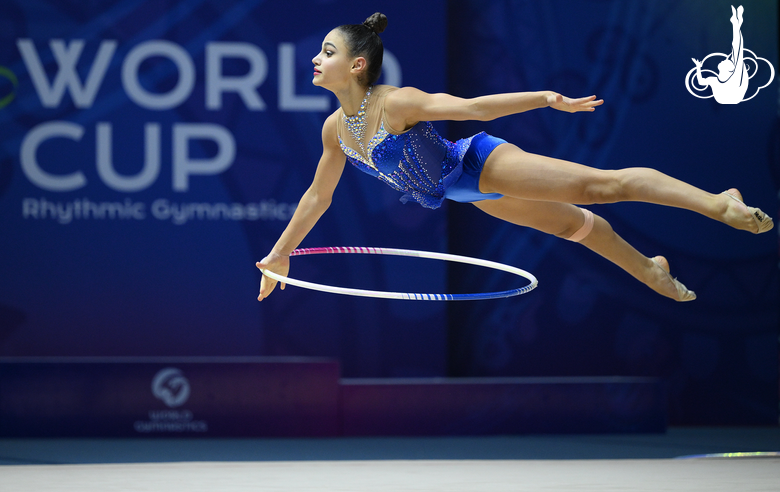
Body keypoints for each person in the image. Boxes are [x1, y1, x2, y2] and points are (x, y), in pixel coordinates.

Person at [257, 12, 773, 303]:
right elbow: (317, 196)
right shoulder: (334, 131)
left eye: (327, 51)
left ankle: (718, 205)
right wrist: (280, 253)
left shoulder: (397, 103)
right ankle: (651, 271)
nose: (316, 58)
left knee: (602, 187)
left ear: (358, 64)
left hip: (478, 165)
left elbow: (475, 107)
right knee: (580, 228)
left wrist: (545, 98)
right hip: (469, 195)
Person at [692, 5, 748, 104]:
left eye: (727, 61)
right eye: (729, 61)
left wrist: (698, 67)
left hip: (731, 95)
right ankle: (736, 24)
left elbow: (737, 48)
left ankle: (736, 24)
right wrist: (698, 67)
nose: (725, 59)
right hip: (730, 96)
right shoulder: (719, 80)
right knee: (737, 52)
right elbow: (701, 82)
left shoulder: (724, 79)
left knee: (737, 51)